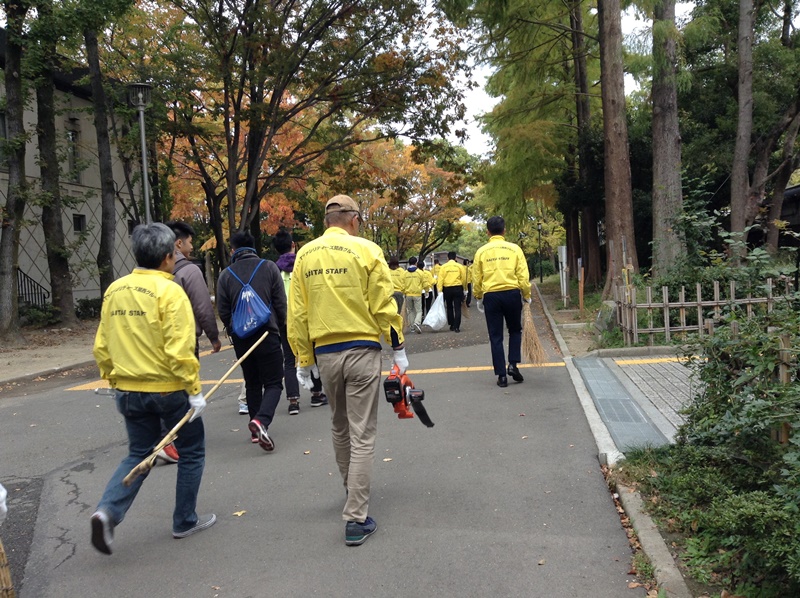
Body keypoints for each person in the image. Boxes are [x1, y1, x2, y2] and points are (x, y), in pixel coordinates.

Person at [287, 194, 408, 547]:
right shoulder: (367, 250)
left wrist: (303, 359)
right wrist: (398, 348)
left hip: (326, 354)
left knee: (339, 427)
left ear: (327, 221)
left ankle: (351, 489)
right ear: (353, 220)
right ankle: (356, 517)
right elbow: (383, 304)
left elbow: (297, 313)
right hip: (362, 350)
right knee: (362, 433)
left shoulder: (305, 256)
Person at [90, 223, 214, 555]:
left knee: (138, 453)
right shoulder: (170, 291)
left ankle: (107, 512)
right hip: (167, 389)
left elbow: (102, 344)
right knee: (192, 451)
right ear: (167, 257)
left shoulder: (115, 290)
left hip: (127, 389)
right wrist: (194, 390)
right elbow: (180, 348)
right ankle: (184, 520)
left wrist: (112, 377)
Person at [157, 221, 222, 464]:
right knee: (183, 388)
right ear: (178, 243)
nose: (192, 246)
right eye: (190, 242)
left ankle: (162, 436)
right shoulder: (190, 271)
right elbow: (202, 306)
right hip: (183, 339)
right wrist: (213, 336)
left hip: (154, 341)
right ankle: (174, 437)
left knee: (162, 388)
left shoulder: (152, 273)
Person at [216, 231, 286, 450]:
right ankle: (261, 421)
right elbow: (280, 302)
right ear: (254, 247)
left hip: (242, 338)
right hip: (267, 333)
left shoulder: (226, 275)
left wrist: (234, 330)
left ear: (233, 250)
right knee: (274, 382)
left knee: (252, 381)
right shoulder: (269, 268)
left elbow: (223, 309)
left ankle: (255, 429)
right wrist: (279, 325)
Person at [472, 216, 532, 388]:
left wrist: (478, 296)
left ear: (487, 232)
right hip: (512, 293)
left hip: (491, 295)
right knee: (515, 330)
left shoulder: (481, 252)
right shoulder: (514, 249)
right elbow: (523, 275)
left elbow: (477, 277)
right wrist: (526, 294)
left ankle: (501, 376)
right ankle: (513, 364)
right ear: (504, 230)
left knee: (495, 335)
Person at [273, 229, 327, 415]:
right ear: (293, 245)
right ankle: (316, 394)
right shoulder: (304, 265)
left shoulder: (274, 270)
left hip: (285, 319)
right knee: (312, 353)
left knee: (289, 359)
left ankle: (293, 401)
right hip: (307, 317)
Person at [437, 251, 467, 333]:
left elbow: (440, 279)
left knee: (449, 307)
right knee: (457, 307)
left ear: (447, 258)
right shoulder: (460, 266)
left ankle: (452, 324)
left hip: (447, 288)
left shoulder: (443, 267)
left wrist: (439, 290)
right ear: (456, 258)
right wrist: (465, 289)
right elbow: (464, 279)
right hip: (458, 288)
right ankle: (457, 327)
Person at [403, 256, 425, 333]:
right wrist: (426, 290)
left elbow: (402, 284)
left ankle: (412, 327)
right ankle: (417, 322)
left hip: (408, 294)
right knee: (419, 311)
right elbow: (424, 283)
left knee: (410, 310)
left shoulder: (405, 273)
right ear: (416, 263)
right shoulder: (420, 272)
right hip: (417, 294)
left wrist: (404, 292)